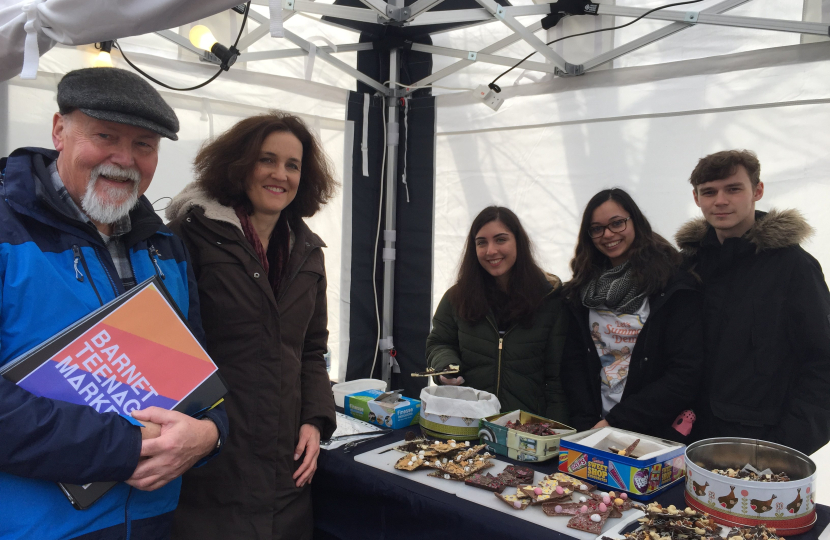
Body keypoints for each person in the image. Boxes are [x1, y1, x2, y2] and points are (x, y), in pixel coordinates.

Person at [0, 68, 228, 539]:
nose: (125, 160)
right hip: (37, 527)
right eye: (105, 136)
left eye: (144, 145)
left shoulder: (165, 245)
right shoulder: (7, 233)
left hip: (151, 519)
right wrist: (123, 447)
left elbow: (202, 372)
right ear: (59, 131)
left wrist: (212, 433)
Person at [165, 111, 338, 539]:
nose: (280, 174)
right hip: (212, 459)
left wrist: (315, 419)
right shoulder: (189, 237)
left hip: (285, 469)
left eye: (293, 165)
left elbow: (312, 349)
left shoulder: (308, 253)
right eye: (267, 160)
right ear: (240, 164)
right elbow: (166, 347)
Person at [676, 149, 830, 455]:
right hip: (685, 439)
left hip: (761, 444)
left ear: (757, 191)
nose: (720, 201)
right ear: (696, 198)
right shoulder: (688, 266)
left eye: (733, 189)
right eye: (709, 192)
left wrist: (784, 448)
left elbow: (823, 363)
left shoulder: (794, 267)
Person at [560, 189, 703, 440]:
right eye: (597, 229)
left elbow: (684, 373)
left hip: (651, 432)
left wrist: (617, 421)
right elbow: (575, 365)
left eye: (617, 223)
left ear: (635, 221)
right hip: (595, 428)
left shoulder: (671, 284)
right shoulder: (582, 290)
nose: (608, 234)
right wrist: (589, 424)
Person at [425, 206, 570, 422]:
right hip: (469, 422)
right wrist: (445, 367)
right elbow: (439, 343)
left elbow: (558, 378)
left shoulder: (549, 300)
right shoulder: (457, 297)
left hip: (525, 428)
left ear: (519, 242)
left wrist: (554, 430)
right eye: (481, 242)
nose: (490, 251)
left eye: (500, 240)